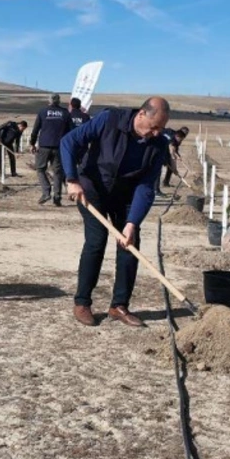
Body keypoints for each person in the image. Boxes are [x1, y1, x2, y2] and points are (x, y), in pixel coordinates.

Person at [60, 97, 171, 328]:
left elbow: (146, 186)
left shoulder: (159, 143)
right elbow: (69, 141)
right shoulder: (109, 120)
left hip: (126, 195)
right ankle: (82, 302)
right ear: (141, 114)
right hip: (93, 190)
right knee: (96, 240)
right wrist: (71, 179)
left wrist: (132, 223)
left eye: (161, 128)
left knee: (129, 244)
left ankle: (119, 306)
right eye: (153, 127)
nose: (156, 133)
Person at [31, 93, 72, 206]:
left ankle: (46, 191)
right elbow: (70, 130)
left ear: (49, 101)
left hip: (44, 145)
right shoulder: (65, 113)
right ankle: (57, 197)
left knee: (40, 169)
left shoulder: (43, 112)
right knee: (58, 172)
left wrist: (32, 143)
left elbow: (36, 129)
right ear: (59, 101)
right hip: (59, 146)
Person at [159, 125, 189, 193]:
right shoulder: (173, 138)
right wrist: (174, 168)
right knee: (159, 169)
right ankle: (156, 188)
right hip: (161, 149)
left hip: (165, 148)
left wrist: (178, 155)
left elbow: (175, 149)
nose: (185, 135)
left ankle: (166, 182)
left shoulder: (178, 137)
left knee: (170, 168)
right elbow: (172, 152)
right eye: (184, 133)